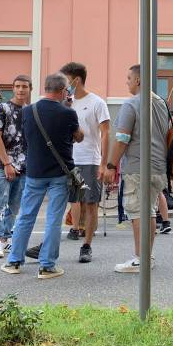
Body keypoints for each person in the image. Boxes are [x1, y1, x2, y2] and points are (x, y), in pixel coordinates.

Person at [2, 72, 83, 279]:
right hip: (60, 172)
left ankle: (13, 261)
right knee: (54, 219)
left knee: (25, 216)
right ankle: (47, 266)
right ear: (63, 91)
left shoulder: (28, 111)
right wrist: (69, 108)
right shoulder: (68, 113)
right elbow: (79, 137)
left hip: (35, 171)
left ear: (45, 87)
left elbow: (27, 136)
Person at [103, 64, 170, 273]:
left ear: (139, 80)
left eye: (129, 78)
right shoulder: (160, 102)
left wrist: (111, 165)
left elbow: (122, 138)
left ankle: (140, 259)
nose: (127, 82)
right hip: (158, 166)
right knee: (148, 212)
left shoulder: (132, 104)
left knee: (137, 213)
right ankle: (146, 257)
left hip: (138, 166)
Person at [61, 61, 110, 263]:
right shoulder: (64, 103)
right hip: (68, 160)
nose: (64, 85)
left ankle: (87, 245)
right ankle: (72, 230)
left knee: (91, 204)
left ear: (76, 80)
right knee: (72, 201)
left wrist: (104, 164)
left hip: (90, 160)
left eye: (66, 81)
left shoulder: (97, 102)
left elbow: (106, 133)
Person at [0, 75, 31, 259]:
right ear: (12, 89)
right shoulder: (2, 108)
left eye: (24, 86)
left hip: (24, 164)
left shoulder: (31, 111)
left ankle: (7, 238)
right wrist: (7, 163)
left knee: (15, 204)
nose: (21, 89)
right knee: (0, 201)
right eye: (17, 86)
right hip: (3, 163)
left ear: (30, 89)